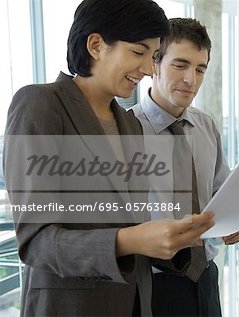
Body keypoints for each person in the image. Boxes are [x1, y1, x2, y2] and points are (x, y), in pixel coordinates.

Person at [3, 1, 215, 316]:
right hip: (71, 307)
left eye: (152, 56)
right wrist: (129, 240)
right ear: (97, 45)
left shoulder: (129, 124)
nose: (147, 69)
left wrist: (174, 241)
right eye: (138, 52)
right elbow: (38, 242)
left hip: (134, 304)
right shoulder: (41, 104)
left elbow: (133, 226)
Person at [130, 18, 239, 316]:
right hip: (151, 285)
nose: (191, 79)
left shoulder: (205, 125)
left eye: (200, 68)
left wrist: (231, 223)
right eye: (180, 65)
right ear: (154, 63)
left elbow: (220, 190)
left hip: (205, 276)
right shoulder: (124, 130)